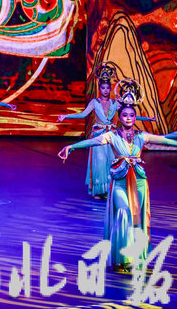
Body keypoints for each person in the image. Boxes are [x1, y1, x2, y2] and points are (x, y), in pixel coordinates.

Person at [58, 80, 177, 273]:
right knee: (123, 213)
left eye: (132, 115)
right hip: (120, 182)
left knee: (138, 219)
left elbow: (165, 140)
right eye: (125, 115)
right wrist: (71, 146)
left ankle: (137, 260)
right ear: (119, 117)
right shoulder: (112, 136)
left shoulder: (142, 136)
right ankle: (122, 258)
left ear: (135, 117)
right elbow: (92, 141)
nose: (128, 118)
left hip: (139, 182)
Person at [57, 62, 154, 197]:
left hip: (111, 135)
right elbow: (83, 114)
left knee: (111, 161)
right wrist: (66, 116)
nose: (105, 90)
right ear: (99, 88)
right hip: (98, 134)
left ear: (110, 88)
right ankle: (98, 191)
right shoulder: (95, 102)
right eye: (103, 88)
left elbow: (129, 115)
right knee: (99, 163)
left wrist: (148, 119)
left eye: (108, 88)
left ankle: (109, 190)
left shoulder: (115, 103)